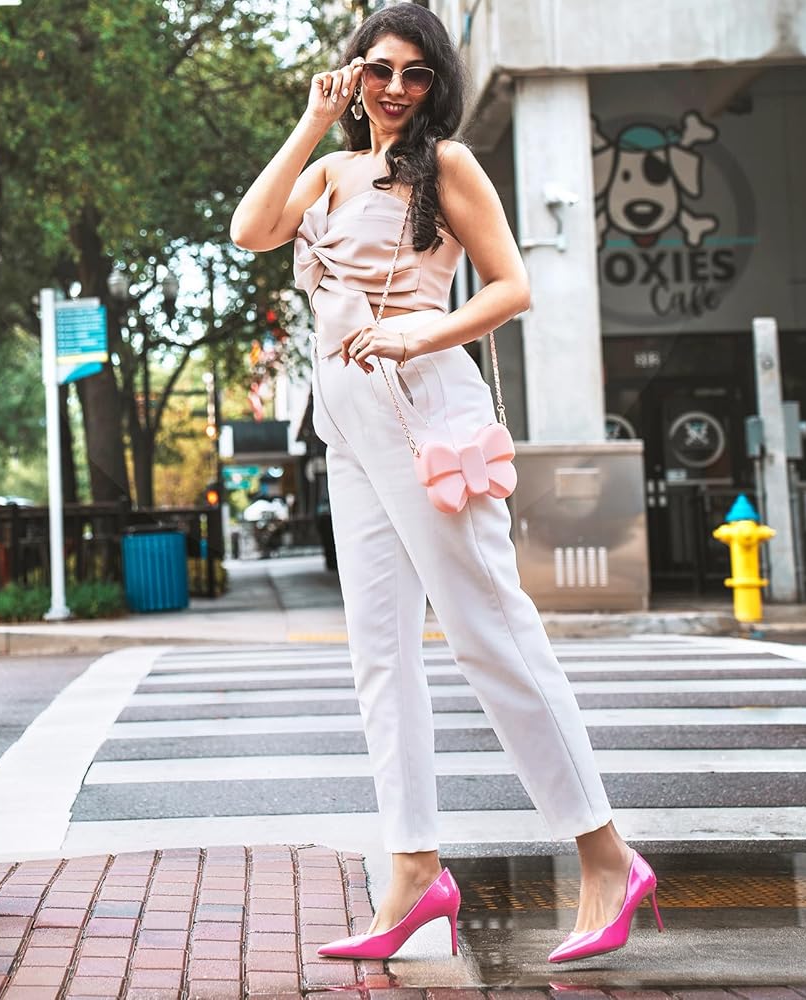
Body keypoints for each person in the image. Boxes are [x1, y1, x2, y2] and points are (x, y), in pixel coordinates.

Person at [230, 2, 663, 965]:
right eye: (378, 69)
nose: (395, 87)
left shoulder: (449, 165)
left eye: (415, 73)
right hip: (347, 420)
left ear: (437, 85)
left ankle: (607, 856)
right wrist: (313, 119)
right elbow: (250, 229)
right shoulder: (330, 171)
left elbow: (512, 286)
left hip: (424, 404)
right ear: (353, 75)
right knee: (379, 655)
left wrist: (415, 332)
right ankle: (414, 871)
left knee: (489, 632)